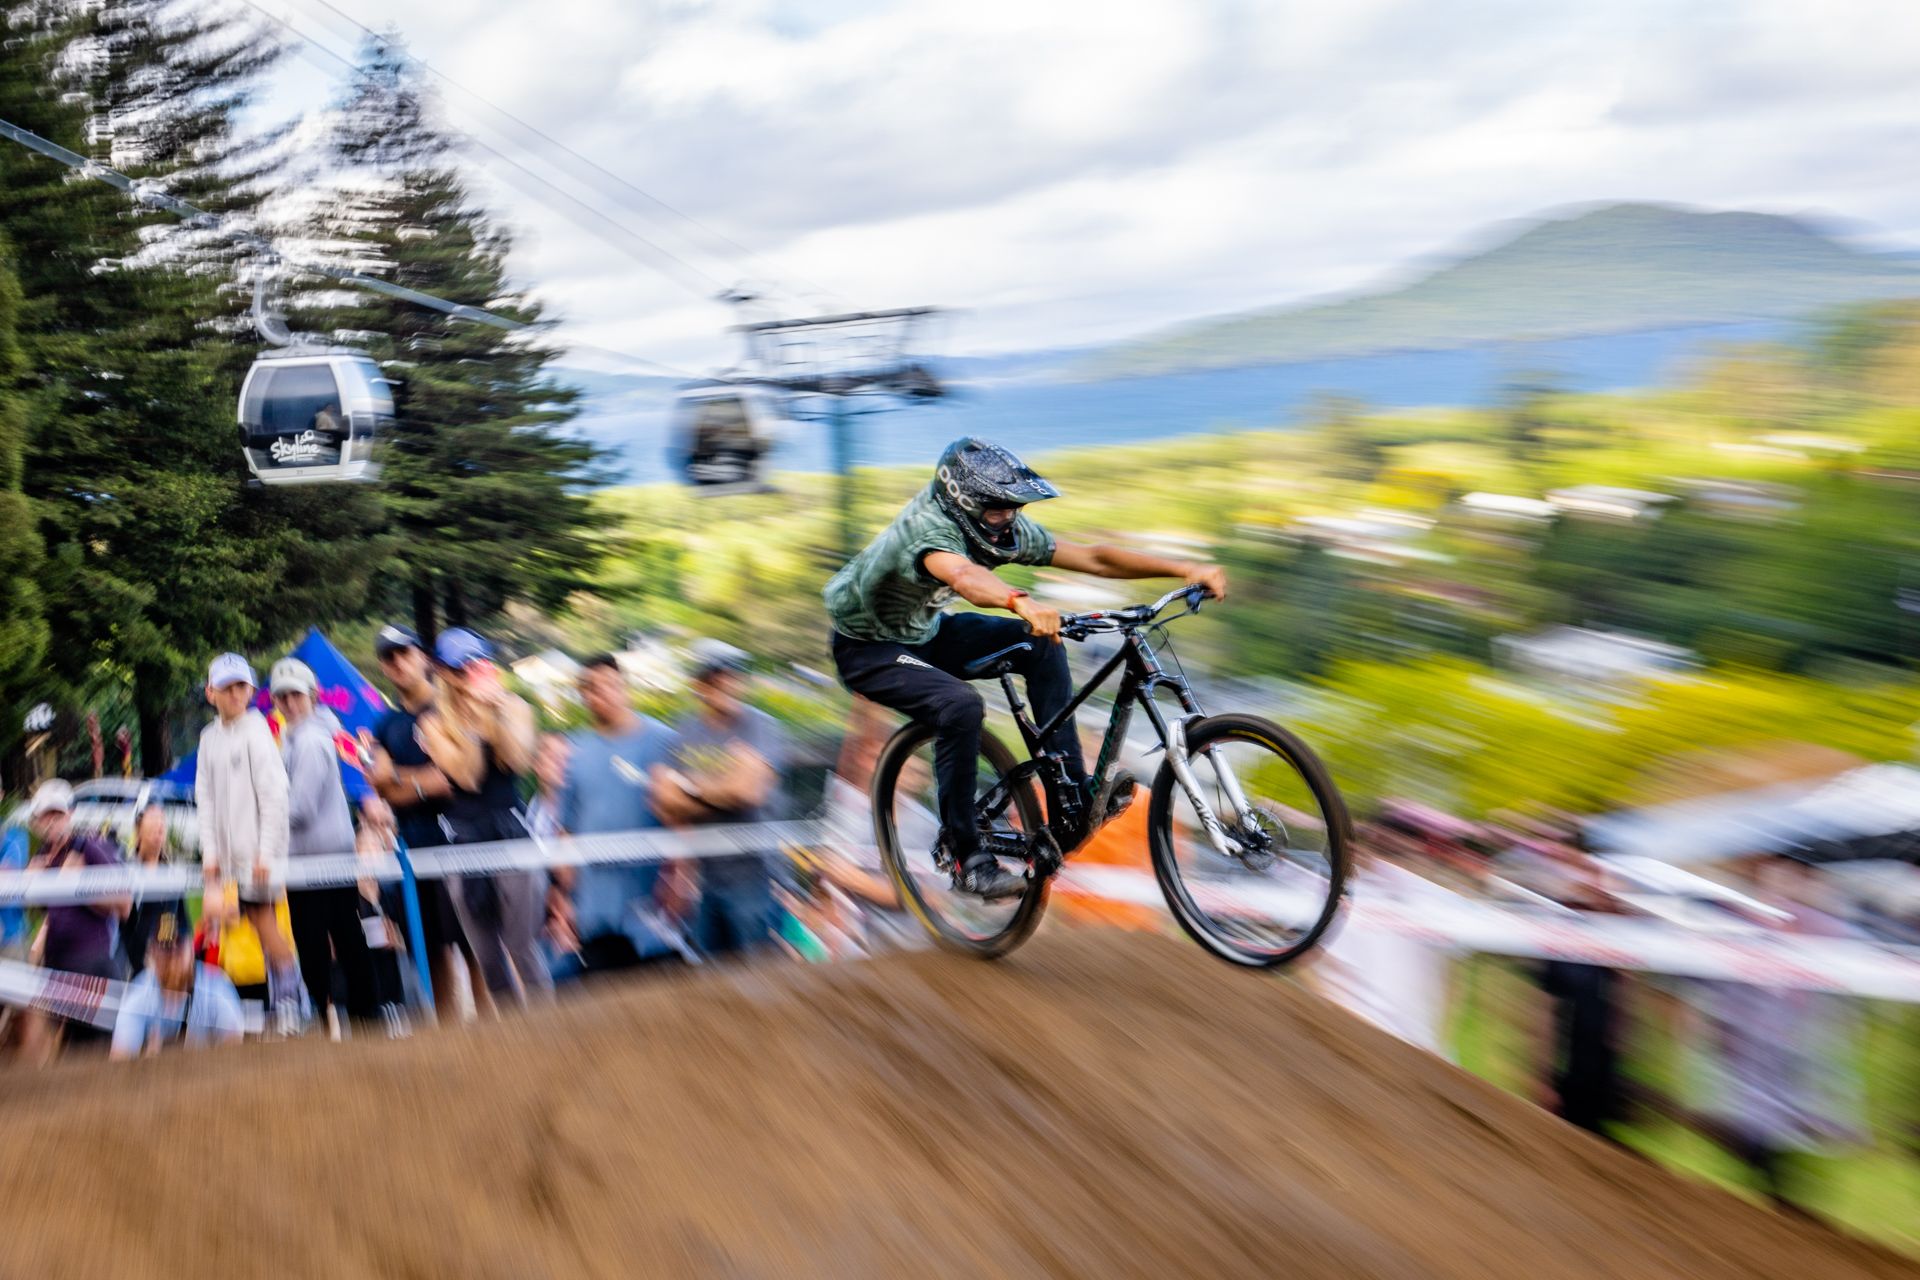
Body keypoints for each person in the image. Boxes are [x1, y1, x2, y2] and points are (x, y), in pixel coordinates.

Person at [824, 437, 1228, 898]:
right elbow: (963, 577)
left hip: (926, 632)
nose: (1008, 518)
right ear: (965, 504)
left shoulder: (1001, 527)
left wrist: (1184, 568)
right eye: (998, 509)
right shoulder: (928, 531)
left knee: (1042, 644)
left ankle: (1071, 796)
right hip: (868, 649)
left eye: (1013, 508)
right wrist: (1020, 600)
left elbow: (1094, 557)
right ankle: (965, 855)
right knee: (959, 706)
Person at [418, 628, 550, 1006]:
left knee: (522, 945)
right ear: (446, 672)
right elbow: (467, 776)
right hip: (464, 837)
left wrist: (496, 712)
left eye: (478, 663)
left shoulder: (514, 706)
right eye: (463, 667)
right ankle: (507, 1035)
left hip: (510, 827)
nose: (474, 672)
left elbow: (518, 761)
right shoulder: (433, 721)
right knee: (487, 955)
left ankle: (550, 1027)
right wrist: (472, 722)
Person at [361, 624, 474, 1016]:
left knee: (475, 948)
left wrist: (401, 779)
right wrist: (422, 779)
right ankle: (448, 1039)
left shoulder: (450, 708)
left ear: (422, 656)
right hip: (411, 847)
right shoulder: (384, 724)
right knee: (430, 949)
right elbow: (381, 785)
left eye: (404, 653)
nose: (398, 663)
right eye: (389, 657)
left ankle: (501, 1040)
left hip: (460, 842)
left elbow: (451, 780)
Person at [653, 640, 789, 959]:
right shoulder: (685, 731)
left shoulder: (760, 725)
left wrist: (689, 786)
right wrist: (724, 784)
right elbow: (663, 801)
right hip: (704, 880)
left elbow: (747, 792)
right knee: (712, 985)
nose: (726, 683)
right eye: (714, 676)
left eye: (734, 674)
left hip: (757, 878)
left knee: (761, 981)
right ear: (698, 685)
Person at [196, 652, 302, 1036]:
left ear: (251, 690)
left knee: (263, 923)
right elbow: (204, 799)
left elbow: (275, 796)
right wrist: (210, 853)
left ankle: (290, 1004)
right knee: (226, 924)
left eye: (241, 686)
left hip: (257, 858)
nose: (235, 693)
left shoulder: (258, 731)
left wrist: (266, 852)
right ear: (211, 693)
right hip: (227, 864)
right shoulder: (208, 739)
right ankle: (254, 1011)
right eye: (226, 686)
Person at [557, 654, 682, 976]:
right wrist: (565, 896)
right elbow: (566, 829)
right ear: (584, 695)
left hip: (652, 904)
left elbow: (682, 820)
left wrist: (681, 877)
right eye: (592, 688)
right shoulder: (575, 750)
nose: (602, 694)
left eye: (611, 685)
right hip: (595, 910)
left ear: (623, 687)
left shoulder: (663, 741)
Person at [273, 657, 379, 1032]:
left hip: (324, 860)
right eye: (282, 696)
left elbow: (299, 809)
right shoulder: (298, 739)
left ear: (312, 697)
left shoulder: (311, 742)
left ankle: (351, 1018)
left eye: (295, 695)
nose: (288, 702)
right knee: (327, 943)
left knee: (333, 943)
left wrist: (259, 816)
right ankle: (347, 1018)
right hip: (309, 861)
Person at [16, 779, 130, 1064]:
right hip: (58, 972)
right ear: (37, 821)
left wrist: (79, 886)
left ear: (70, 814)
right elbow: (46, 912)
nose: (53, 821)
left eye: (58, 814)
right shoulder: (42, 858)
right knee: (71, 1059)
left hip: (94, 968)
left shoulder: (89, 847)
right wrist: (34, 887)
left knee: (98, 1056)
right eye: (47, 815)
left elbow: (125, 904)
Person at [110, 907, 245, 1059]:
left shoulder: (216, 987)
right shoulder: (138, 997)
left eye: (179, 945)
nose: (173, 956)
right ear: (152, 953)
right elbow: (120, 1059)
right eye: (165, 948)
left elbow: (236, 1052)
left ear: (192, 948)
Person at [122, 804, 189, 977]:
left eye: (162, 821)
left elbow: (181, 923)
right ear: (138, 831)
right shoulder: (126, 871)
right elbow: (123, 926)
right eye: (152, 819)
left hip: (166, 966)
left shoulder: (171, 876)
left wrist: (179, 956)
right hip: (131, 967)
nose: (158, 825)